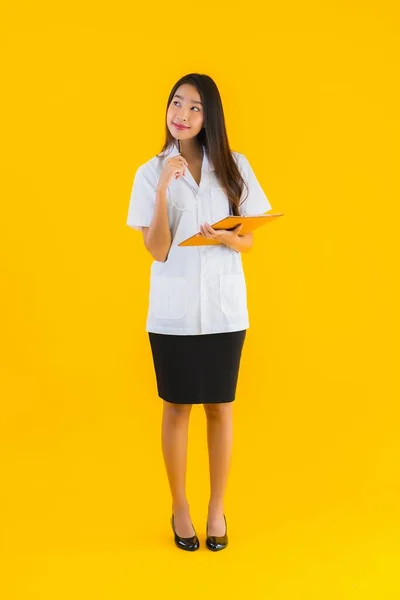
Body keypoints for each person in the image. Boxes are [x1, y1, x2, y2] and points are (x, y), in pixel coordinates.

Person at [126, 73, 272, 551]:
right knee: (177, 407)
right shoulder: (150, 171)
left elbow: (248, 239)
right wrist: (165, 191)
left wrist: (226, 237)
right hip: (173, 312)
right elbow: (157, 250)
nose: (181, 115)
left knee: (220, 407)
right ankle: (181, 507)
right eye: (176, 103)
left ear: (210, 117)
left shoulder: (234, 167)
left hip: (225, 310)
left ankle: (216, 508)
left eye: (194, 108)